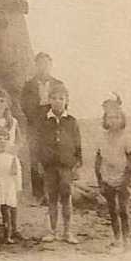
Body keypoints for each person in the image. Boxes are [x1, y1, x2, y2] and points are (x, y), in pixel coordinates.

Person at [37, 83, 81, 244]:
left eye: (61, 98)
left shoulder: (71, 121)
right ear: (49, 100)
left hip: (66, 166)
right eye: (54, 98)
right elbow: (39, 144)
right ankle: (52, 231)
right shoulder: (44, 121)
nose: (57, 101)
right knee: (52, 198)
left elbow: (77, 144)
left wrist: (76, 164)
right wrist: (41, 163)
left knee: (66, 198)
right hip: (49, 166)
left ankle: (68, 231)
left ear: (66, 100)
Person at [94, 94, 131, 252]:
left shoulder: (127, 138)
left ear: (122, 119)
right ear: (105, 120)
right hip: (107, 178)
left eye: (117, 117)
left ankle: (126, 240)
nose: (113, 120)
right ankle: (117, 238)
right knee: (112, 209)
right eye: (110, 117)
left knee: (123, 210)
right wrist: (100, 181)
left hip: (122, 179)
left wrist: (126, 179)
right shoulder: (101, 138)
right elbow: (98, 161)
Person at [21, 52, 64, 201]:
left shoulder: (58, 84)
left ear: (50, 65)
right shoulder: (29, 85)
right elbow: (25, 106)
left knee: (54, 155)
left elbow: (65, 104)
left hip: (53, 123)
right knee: (35, 157)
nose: (43, 67)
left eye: (46, 63)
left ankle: (53, 192)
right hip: (35, 124)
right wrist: (40, 114)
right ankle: (38, 193)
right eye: (40, 64)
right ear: (36, 65)